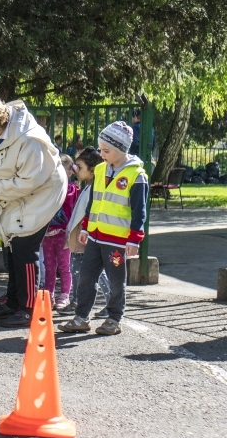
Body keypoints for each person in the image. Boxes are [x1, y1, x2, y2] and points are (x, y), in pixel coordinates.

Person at [0, 96, 67, 328]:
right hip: (13, 192)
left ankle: (28, 308)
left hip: (41, 194)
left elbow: (29, 182)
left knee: (25, 248)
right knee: (10, 246)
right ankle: (14, 301)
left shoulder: (30, 140)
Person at [59, 122, 148, 336]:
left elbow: (139, 211)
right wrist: (86, 228)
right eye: (101, 149)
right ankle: (81, 317)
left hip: (117, 242)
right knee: (86, 278)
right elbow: (94, 201)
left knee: (117, 281)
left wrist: (134, 239)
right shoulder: (100, 170)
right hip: (95, 239)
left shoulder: (137, 176)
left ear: (121, 150)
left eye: (106, 151)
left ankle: (114, 318)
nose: (102, 154)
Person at [61, 147, 111, 316]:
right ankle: (77, 301)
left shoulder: (93, 189)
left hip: (85, 238)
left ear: (92, 170)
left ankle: (110, 302)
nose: (76, 170)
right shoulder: (87, 187)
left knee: (90, 273)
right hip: (80, 237)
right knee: (79, 271)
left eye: (80, 167)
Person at [41, 154, 79, 309]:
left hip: (64, 233)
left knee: (64, 266)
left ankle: (64, 295)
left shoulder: (72, 189)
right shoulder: (47, 189)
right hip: (47, 233)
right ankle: (49, 294)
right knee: (49, 266)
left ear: (70, 172)